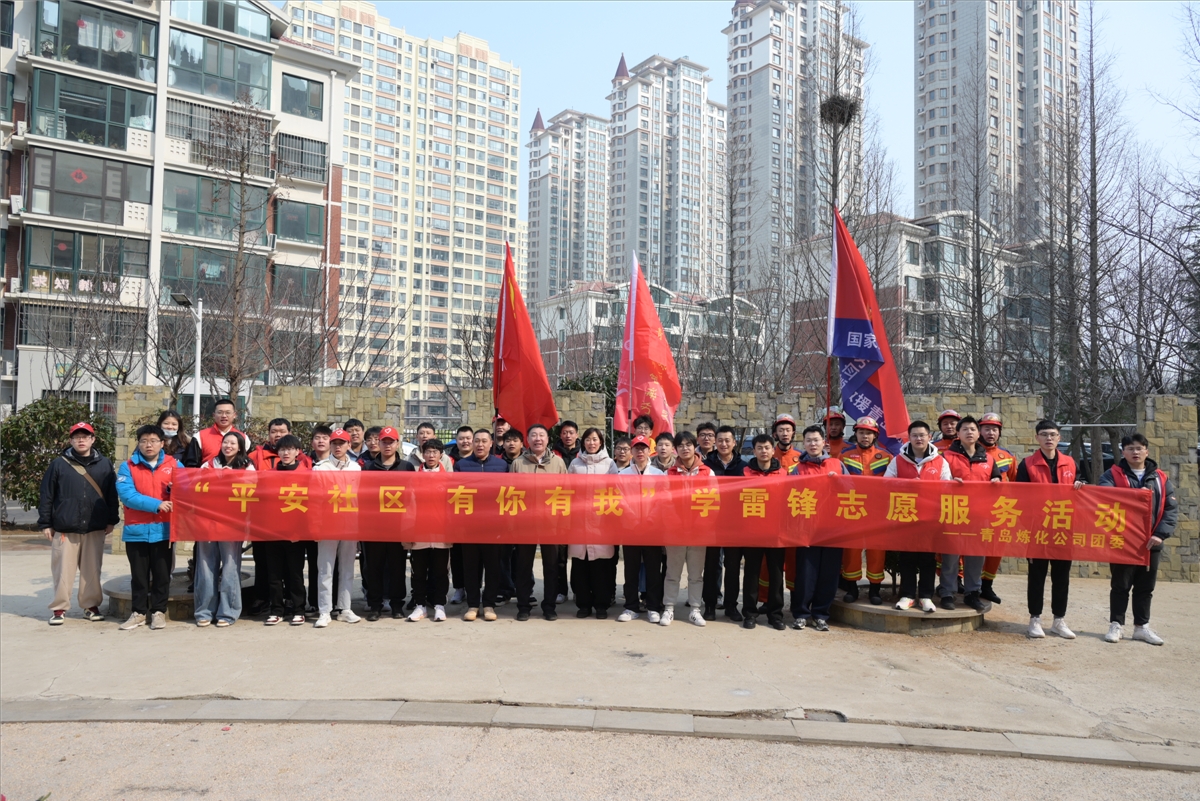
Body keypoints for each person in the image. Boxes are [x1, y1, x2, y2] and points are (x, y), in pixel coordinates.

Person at [1100, 433, 1178, 646]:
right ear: (1123, 452)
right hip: (1122, 541)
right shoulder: (1111, 475)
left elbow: (1171, 509)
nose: (1135, 452)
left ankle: (1141, 627)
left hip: (1152, 541)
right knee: (1120, 585)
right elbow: (1105, 498)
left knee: (1145, 587)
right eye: (1130, 448)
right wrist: (1136, 495)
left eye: (1139, 448)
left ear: (1146, 451)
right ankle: (1116, 624)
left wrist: (1160, 534)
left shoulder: (1161, 478)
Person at [40, 421, 119, 625]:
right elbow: (47, 495)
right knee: (62, 570)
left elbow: (112, 494)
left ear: (93, 439)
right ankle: (59, 608)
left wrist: (112, 519)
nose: (81, 440)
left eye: (85, 436)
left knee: (92, 570)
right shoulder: (59, 464)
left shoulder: (104, 464)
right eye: (77, 437)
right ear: (71, 440)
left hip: (95, 526)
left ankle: (90, 606)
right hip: (65, 527)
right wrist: (46, 523)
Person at [1014, 420, 1084, 640]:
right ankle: (1035, 619)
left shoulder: (1070, 463)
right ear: (1037, 438)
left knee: (1061, 577)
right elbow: (1019, 497)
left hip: (1063, 528)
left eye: (1053, 434)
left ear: (1059, 438)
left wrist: (1081, 484)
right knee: (1037, 576)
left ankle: (1058, 620)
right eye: (1044, 434)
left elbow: (1082, 488)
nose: (1049, 438)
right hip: (1038, 529)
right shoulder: (1027, 464)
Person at [116, 425, 181, 631]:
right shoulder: (128, 466)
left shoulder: (174, 464)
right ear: (139, 443)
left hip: (164, 529)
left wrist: (175, 491)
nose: (148, 445)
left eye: (153, 441)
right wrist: (157, 504)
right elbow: (128, 495)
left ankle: (159, 612)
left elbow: (187, 489)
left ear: (162, 443)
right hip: (137, 530)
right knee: (139, 576)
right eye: (144, 441)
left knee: (162, 575)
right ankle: (138, 613)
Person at [885, 420, 951, 613]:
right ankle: (907, 595)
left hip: (930, 518)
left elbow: (947, 487)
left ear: (929, 437)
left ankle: (926, 596)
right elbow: (886, 484)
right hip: (906, 516)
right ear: (909, 438)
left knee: (928, 558)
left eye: (922, 435)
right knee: (907, 557)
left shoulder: (940, 461)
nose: (918, 438)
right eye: (914, 435)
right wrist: (907, 485)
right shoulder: (898, 460)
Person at [938, 416, 1001, 612]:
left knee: (976, 556)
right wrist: (948, 484)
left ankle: (972, 593)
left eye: (973, 429)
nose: (969, 432)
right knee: (951, 556)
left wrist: (997, 482)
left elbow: (997, 480)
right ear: (958, 433)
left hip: (979, 515)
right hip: (954, 512)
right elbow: (937, 483)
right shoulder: (946, 457)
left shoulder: (989, 459)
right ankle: (947, 592)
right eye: (965, 429)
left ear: (978, 433)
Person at [789, 426, 847, 632]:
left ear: (824, 442)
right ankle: (801, 614)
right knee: (806, 573)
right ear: (803, 443)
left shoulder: (837, 464)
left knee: (829, 574)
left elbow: (852, 490)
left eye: (816, 440)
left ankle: (821, 614)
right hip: (808, 529)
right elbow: (790, 496)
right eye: (808, 440)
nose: (812, 444)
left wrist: (839, 482)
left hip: (833, 529)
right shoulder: (798, 468)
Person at [195, 432, 254, 627]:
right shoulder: (209, 464)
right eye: (225, 442)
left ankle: (228, 612)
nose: (228, 446)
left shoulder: (247, 466)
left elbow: (254, 488)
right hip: (207, 521)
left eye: (233, 443)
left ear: (240, 447)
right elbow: (197, 485)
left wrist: (233, 477)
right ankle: (204, 611)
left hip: (232, 522)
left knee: (230, 566)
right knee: (205, 566)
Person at [509, 424, 568, 621]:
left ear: (547, 439)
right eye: (533, 435)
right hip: (525, 523)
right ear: (527, 440)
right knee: (523, 566)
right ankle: (523, 606)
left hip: (551, 523)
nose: (538, 439)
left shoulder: (558, 463)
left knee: (551, 566)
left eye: (541, 435)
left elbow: (566, 492)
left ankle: (549, 606)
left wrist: (562, 522)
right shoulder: (518, 463)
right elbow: (510, 493)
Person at [361, 427, 415, 620]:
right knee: (373, 567)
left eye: (391, 442)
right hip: (374, 526)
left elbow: (412, 497)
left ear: (397, 444)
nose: (387, 445)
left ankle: (397, 605)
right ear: (379, 443)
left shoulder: (407, 467)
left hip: (398, 526)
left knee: (397, 567)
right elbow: (363, 497)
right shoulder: (368, 468)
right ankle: (375, 605)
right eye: (384, 441)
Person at [838, 416, 892, 606]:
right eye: (861, 432)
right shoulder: (844, 456)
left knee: (877, 550)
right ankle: (851, 588)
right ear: (856, 434)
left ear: (875, 435)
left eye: (869, 433)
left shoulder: (886, 457)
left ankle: (875, 589)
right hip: (853, 509)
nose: (865, 436)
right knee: (851, 550)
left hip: (877, 511)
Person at [455, 429, 508, 621]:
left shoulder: (501, 465)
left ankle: (489, 604)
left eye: (484, 441)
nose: (480, 445)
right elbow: (455, 494)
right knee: (471, 568)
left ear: (491, 443)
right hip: (469, 526)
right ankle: (472, 604)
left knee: (493, 567)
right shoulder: (462, 465)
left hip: (493, 526)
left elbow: (507, 494)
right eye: (476, 441)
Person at [312, 429, 363, 628]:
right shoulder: (320, 468)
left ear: (349, 445)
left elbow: (360, 498)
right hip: (327, 524)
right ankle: (324, 611)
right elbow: (315, 500)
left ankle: (345, 608)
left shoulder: (356, 469)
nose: (338, 447)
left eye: (342, 443)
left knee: (347, 567)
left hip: (349, 523)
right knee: (325, 569)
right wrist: (316, 526)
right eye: (335, 443)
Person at [662, 431, 712, 627]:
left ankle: (695, 609)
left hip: (699, 532)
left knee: (696, 574)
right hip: (675, 531)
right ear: (676, 449)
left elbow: (714, 500)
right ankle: (669, 608)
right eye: (681, 445)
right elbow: (664, 501)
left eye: (688, 444)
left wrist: (702, 523)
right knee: (672, 573)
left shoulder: (707, 472)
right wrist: (674, 522)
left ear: (694, 446)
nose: (685, 448)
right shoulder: (669, 473)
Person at [741, 434, 788, 630]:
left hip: (776, 532)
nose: (763, 451)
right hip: (752, 532)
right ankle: (750, 613)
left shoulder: (783, 473)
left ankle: (775, 614)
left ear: (773, 450)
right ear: (754, 451)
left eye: (767, 447)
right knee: (751, 573)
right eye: (759, 448)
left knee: (776, 574)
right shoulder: (744, 472)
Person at [261, 435, 310, 626]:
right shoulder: (269, 474)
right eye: (282, 449)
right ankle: (276, 610)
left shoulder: (306, 474)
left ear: (298, 452)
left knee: (295, 574)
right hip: (273, 532)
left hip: (296, 533)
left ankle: (299, 609)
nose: (286, 453)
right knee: (274, 575)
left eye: (290, 449)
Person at [568, 428, 617, 619]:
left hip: (601, 522)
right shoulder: (575, 464)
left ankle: (601, 605)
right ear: (583, 443)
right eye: (588, 439)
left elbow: (615, 491)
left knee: (601, 568)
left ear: (601, 442)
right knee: (580, 566)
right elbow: (568, 490)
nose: (591, 443)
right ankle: (583, 605)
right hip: (579, 522)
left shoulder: (609, 464)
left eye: (595, 439)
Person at [616, 435, 666, 623]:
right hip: (631, 528)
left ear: (649, 450)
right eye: (636, 448)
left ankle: (653, 606)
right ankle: (630, 606)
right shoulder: (623, 475)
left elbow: (662, 500)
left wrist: (650, 518)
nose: (640, 451)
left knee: (653, 569)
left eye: (643, 448)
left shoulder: (658, 475)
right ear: (631, 451)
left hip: (652, 528)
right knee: (631, 569)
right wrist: (632, 516)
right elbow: (620, 499)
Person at [703, 425, 747, 623]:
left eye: (727, 440)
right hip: (711, 523)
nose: (723, 444)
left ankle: (731, 605)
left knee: (732, 566)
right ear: (715, 442)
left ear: (734, 443)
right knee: (711, 565)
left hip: (735, 524)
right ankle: (710, 605)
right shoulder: (706, 466)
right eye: (720, 440)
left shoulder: (743, 467)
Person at [406, 439, 452, 622]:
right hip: (419, 532)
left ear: (441, 455)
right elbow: (409, 506)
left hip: (441, 532)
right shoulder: (414, 478)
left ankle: (439, 605)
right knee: (418, 571)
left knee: (441, 571)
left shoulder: (449, 478)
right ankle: (420, 605)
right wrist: (407, 532)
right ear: (422, 454)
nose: (431, 455)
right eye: (428, 452)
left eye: (435, 452)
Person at [977, 412, 1014, 604]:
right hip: (974, 510)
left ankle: (987, 585)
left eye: (994, 429)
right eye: (986, 429)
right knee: (969, 547)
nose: (990, 433)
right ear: (979, 431)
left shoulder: (1007, 456)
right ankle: (965, 584)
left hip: (1000, 511)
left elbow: (1015, 484)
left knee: (995, 548)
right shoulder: (971, 451)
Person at [182, 399, 250, 468]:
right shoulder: (200, 436)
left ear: (235, 415)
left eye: (228, 412)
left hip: (236, 475)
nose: (224, 416)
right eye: (220, 412)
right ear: (214, 415)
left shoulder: (244, 438)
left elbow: (248, 463)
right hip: (207, 474)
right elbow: (191, 465)